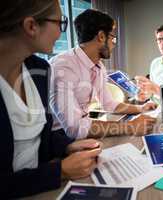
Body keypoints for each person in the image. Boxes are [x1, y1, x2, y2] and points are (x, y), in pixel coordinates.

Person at [0, 1, 103, 198]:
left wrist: (67, 145)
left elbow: (41, 136)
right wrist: (60, 171)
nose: (61, 33)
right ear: (31, 26)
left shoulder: (39, 69)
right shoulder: (61, 65)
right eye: (60, 23)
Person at [50, 9, 156, 140]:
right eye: (113, 38)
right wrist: (130, 126)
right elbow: (75, 128)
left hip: (83, 127)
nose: (114, 44)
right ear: (101, 37)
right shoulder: (63, 66)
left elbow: (109, 104)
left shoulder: (99, 67)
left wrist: (141, 108)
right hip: (57, 136)